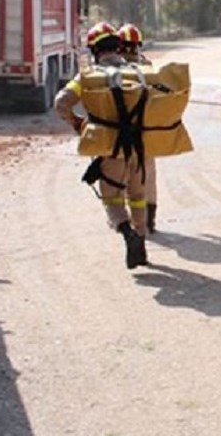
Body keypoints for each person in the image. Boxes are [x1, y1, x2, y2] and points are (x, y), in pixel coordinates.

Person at [54, 22, 149, 270]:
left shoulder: (88, 77)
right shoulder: (139, 71)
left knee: (112, 198)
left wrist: (76, 122)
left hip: (110, 150)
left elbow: (61, 102)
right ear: (117, 46)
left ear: (95, 50)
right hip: (141, 149)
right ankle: (141, 242)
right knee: (138, 196)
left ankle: (127, 233)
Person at [118, 22, 158, 233]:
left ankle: (132, 223)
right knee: (149, 177)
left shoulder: (116, 70)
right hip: (148, 133)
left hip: (122, 134)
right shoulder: (148, 67)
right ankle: (149, 220)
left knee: (125, 180)